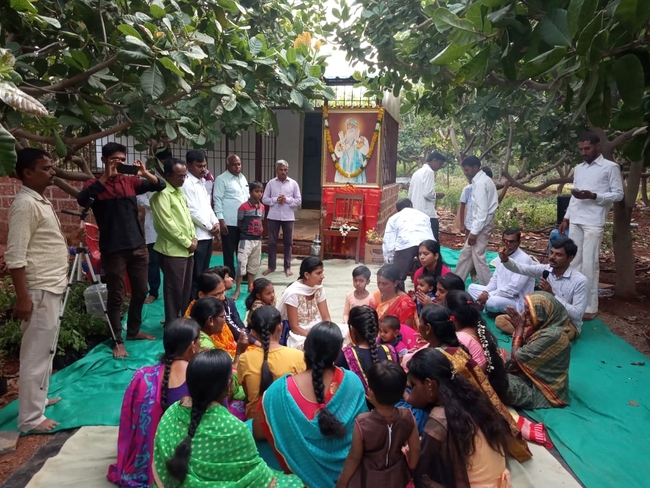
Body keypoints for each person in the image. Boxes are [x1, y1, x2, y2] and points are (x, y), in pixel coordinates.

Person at [5, 148, 84, 432]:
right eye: (46, 168)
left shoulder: (39, 201)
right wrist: (23, 297)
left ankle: (37, 400)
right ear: (27, 172)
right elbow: (16, 256)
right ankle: (30, 419)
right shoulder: (25, 204)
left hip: (50, 285)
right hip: (38, 289)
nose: (52, 172)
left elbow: (43, 243)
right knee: (35, 355)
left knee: (46, 351)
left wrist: (70, 240)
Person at [153, 349, 303, 487]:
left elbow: (159, 465)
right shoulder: (234, 428)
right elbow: (259, 477)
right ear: (229, 385)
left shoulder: (171, 413)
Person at [404, 305, 532, 462]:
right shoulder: (458, 349)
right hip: (477, 413)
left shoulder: (435, 360)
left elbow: (418, 400)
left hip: (456, 419)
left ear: (428, 328)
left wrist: (402, 391)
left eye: (420, 322)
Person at [255, 322, 368, 488]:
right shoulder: (352, 383)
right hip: (348, 475)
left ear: (305, 349)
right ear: (337, 354)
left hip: (301, 476)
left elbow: (259, 433)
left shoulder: (277, 392)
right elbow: (362, 430)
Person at [77, 142, 163, 358]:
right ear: (104, 160)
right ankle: (117, 341)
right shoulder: (94, 184)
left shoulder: (130, 182)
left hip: (137, 246)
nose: (120, 164)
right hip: (113, 249)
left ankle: (133, 331)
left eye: (122, 160)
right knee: (116, 295)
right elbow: (83, 200)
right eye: (115, 160)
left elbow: (159, 185)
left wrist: (144, 172)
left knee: (141, 291)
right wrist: (106, 176)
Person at [108, 318, 200, 487]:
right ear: (192, 346)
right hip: (189, 454)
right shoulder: (200, 377)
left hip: (150, 458)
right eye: (199, 340)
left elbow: (129, 421)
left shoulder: (142, 377)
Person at [408, 348, 512, 488]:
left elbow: (420, 467)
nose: (412, 391)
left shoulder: (440, 417)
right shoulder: (471, 399)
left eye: (414, 385)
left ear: (429, 384)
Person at [559, 132, 624, 320]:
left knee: (590, 263)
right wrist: (566, 218)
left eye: (587, 148)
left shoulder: (610, 167)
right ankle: (573, 302)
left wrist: (594, 196)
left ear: (597, 146)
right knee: (574, 261)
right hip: (577, 219)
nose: (583, 152)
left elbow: (618, 194)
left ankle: (589, 306)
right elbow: (574, 196)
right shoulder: (579, 168)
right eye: (581, 149)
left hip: (594, 221)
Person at [336, 362, 420, 488]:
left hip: (369, 479)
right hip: (398, 476)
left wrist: (342, 483)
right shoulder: (407, 416)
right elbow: (415, 449)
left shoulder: (362, 423)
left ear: (370, 392)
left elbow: (354, 458)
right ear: (402, 391)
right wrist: (412, 467)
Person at [496, 238, 586, 340]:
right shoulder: (546, 269)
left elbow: (577, 315)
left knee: (555, 335)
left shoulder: (580, 281)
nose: (552, 257)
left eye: (558, 255)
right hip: (541, 318)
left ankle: (527, 334)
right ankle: (533, 335)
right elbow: (521, 268)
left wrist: (552, 295)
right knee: (500, 320)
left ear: (570, 258)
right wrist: (505, 260)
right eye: (551, 253)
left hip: (565, 324)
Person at [503, 292, 571, 409]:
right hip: (531, 375)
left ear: (543, 313)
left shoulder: (552, 335)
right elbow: (524, 352)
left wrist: (519, 329)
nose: (525, 315)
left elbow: (516, 358)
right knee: (497, 356)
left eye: (529, 312)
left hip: (542, 392)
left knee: (496, 381)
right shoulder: (544, 327)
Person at [150, 158, 197, 327]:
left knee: (185, 291)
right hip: (173, 251)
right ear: (167, 175)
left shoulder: (178, 192)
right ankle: (173, 326)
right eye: (179, 175)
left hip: (187, 249)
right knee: (174, 292)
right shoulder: (161, 195)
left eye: (185, 175)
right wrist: (186, 241)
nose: (183, 179)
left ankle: (182, 324)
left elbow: (187, 218)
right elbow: (166, 225)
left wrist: (194, 237)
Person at [237, 306, 306, 419]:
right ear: (280, 327)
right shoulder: (298, 356)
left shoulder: (245, 358)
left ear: (253, 333)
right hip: (288, 421)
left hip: (255, 422)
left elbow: (248, 393)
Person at [446, 290, 509, 399]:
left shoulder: (460, 338)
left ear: (452, 318)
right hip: (487, 385)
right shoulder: (479, 329)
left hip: (473, 394)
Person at [454, 156, 498, 286]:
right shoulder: (484, 180)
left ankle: (488, 287)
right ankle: (455, 281)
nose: (465, 173)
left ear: (475, 167)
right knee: (466, 253)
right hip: (481, 223)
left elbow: (482, 210)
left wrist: (474, 232)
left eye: (467, 170)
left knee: (478, 256)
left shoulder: (480, 183)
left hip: (481, 224)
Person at [468, 228, 536, 313]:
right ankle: (486, 304)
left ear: (518, 242)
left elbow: (514, 290)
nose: (508, 245)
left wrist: (489, 295)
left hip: (517, 301)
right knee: (471, 288)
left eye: (511, 242)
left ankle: (486, 305)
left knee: (492, 302)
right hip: (499, 294)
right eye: (505, 241)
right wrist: (486, 292)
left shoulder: (524, 260)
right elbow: (495, 279)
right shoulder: (502, 255)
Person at [182, 150, 220, 299]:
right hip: (196, 235)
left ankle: (201, 303)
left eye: (204, 165)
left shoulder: (202, 182)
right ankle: (193, 305)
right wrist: (209, 226)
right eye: (199, 166)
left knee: (204, 273)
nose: (203, 169)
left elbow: (207, 206)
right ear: (189, 165)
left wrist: (215, 222)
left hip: (207, 235)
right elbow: (191, 210)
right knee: (196, 275)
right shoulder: (186, 183)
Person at [336, 306, 398, 392]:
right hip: (391, 403)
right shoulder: (390, 350)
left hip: (360, 405)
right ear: (377, 329)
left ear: (352, 330)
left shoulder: (346, 354)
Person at [277, 256, 334, 349]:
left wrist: (329, 332)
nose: (322, 276)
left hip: (317, 328)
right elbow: (294, 327)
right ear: (307, 275)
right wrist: (314, 336)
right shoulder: (293, 293)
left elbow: (326, 317)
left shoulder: (319, 289)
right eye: (318, 273)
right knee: (309, 346)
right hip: (299, 333)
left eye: (322, 272)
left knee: (343, 333)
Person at [262, 160, 302, 277]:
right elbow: (264, 199)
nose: (283, 172)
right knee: (272, 242)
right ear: (276, 170)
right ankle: (271, 266)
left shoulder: (293, 184)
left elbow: (299, 200)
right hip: (273, 216)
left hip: (288, 217)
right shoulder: (271, 183)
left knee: (288, 242)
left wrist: (287, 200)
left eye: (285, 170)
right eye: (281, 169)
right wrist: (275, 200)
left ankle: (287, 267)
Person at [382, 198, 434, 284]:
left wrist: (389, 260)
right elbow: (430, 234)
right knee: (429, 275)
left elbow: (389, 241)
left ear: (398, 209)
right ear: (411, 205)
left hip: (405, 244)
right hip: (427, 244)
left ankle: (400, 294)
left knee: (398, 276)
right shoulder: (424, 216)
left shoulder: (394, 218)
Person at [214, 154, 249, 279]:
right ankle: (230, 276)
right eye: (234, 164)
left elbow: (246, 198)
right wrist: (220, 220)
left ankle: (242, 274)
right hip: (229, 221)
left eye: (239, 164)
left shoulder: (243, 178)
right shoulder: (221, 179)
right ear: (227, 165)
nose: (237, 167)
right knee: (229, 251)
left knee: (243, 250)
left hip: (243, 221)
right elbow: (217, 199)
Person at [234, 180, 265, 300]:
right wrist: (246, 233)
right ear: (250, 192)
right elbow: (240, 223)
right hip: (246, 240)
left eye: (261, 191)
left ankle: (250, 287)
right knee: (242, 264)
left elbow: (261, 221)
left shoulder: (262, 207)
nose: (259, 194)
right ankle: (237, 290)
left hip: (257, 240)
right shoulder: (243, 207)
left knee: (253, 264)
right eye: (257, 191)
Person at [408, 151, 446, 241]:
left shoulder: (417, 173)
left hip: (415, 212)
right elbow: (428, 194)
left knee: (418, 241)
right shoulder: (429, 172)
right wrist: (438, 195)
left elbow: (410, 194)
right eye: (439, 164)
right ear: (434, 160)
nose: (439, 167)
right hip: (427, 214)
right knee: (432, 242)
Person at [210, 265, 250, 341]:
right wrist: (248, 338)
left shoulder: (230, 302)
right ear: (220, 281)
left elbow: (237, 321)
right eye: (228, 277)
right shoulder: (215, 306)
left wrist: (247, 335)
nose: (231, 279)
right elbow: (230, 324)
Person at [334, 117, 370, 184]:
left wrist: (357, 140)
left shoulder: (362, 139)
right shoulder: (343, 140)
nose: (350, 129)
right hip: (343, 169)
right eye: (348, 127)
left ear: (356, 128)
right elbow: (338, 155)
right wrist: (341, 142)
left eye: (352, 127)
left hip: (356, 169)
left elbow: (366, 152)